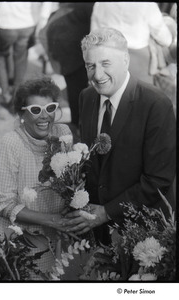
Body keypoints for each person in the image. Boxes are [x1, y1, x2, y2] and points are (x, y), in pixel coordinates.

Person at [62, 28, 176, 246]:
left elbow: (159, 179)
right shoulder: (86, 97)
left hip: (145, 232)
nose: (97, 74)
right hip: (98, 230)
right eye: (90, 66)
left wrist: (106, 212)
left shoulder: (156, 104)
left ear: (126, 59)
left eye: (106, 63)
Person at [0, 77, 73, 280]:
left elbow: (73, 182)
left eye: (50, 107)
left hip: (57, 234)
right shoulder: (10, 144)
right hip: (21, 240)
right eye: (36, 109)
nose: (44, 116)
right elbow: (1, 204)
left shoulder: (63, 134)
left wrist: (68, 214)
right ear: (22, 113)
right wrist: (52, 220)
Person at [90, 2, 173, 85]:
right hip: (140, 62)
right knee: (141, 94)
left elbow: (93, 38)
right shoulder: (148, 4)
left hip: (108, 59)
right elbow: (165, 39)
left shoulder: (100, 4)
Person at [0, 2, 55, 105]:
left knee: (0, 57)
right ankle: (17, 98)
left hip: (5, 22)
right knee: (20, 60)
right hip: (27, 23)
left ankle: (5, 94)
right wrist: (43, 19)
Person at [45, 2, 94, 131]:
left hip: (69, 55)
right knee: (82, 91)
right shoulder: (91, 7)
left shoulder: (65, 9)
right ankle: (81, 125)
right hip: (76, 54)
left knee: (75, 90)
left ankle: (78, 123)